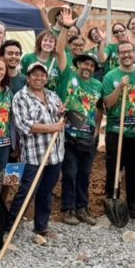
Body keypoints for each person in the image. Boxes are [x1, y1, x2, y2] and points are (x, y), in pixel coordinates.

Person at [9, 62, 65, 238]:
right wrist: (52, 127)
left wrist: (62, 113)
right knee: (26, 191)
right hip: (34, 156)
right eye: (35, 74)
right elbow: (23, 125)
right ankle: (9, 227)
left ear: (46, 78)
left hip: (55, 154)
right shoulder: (20, 97)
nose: (39, 78)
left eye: (42, 75)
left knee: (46, 192)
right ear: (28, 77)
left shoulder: (53, 95)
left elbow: (60, 118)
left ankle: (41, 227)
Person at [101, 42, 135, 219]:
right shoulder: (110, 76)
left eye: (129, 51)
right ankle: (112, 198)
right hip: (116, 131)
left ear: (134, 53)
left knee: (133, 169)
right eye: (122, 52)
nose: (126, 55)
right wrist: (120, 88)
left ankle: (132, 202)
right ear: (118, 55)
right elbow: (108, 104)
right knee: (113, 167)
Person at [57, 47, 103, 226]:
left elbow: (98, 108)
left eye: (91, 65)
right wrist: (65, 31)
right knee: (70, 173)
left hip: (88, 137)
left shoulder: (97, 85)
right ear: (78, 64)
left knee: (85, 174)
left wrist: (97, 129)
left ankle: (82, 208)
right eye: (85, 63)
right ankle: (67, 208)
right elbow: (60, 52)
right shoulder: (69, 76)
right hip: (69, 135)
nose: (88, 67)